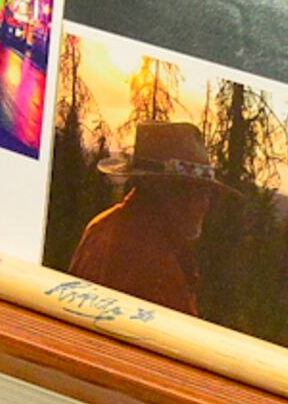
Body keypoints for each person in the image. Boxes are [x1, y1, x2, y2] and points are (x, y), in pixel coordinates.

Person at [63, 121, 216, 313]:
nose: (204, 203)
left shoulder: (101, 226)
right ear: (160, 188)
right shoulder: (156, 264)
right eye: (192, 191)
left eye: (207, 192)